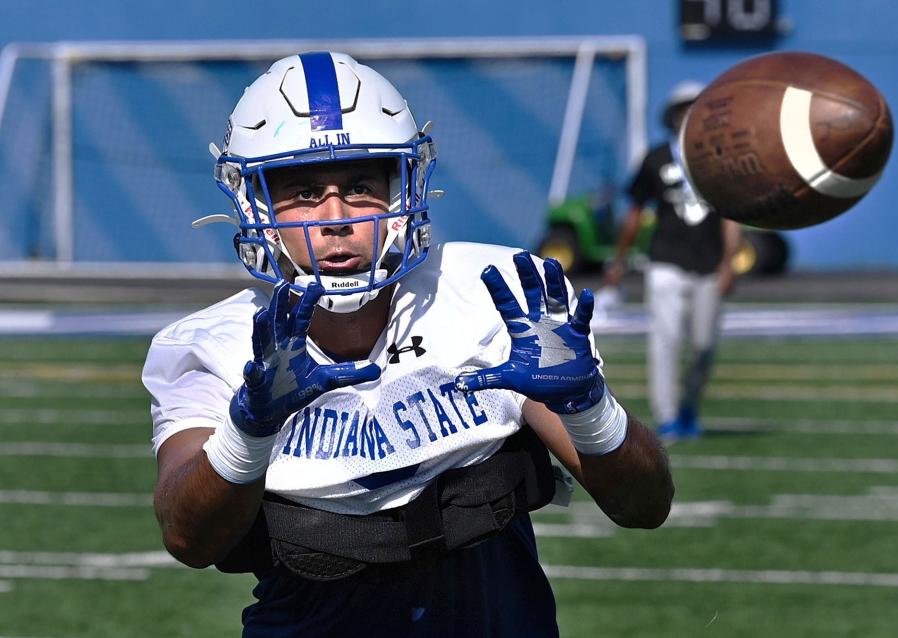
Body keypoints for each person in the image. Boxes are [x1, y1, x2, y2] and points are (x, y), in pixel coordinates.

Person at [143, 52, 673, 637]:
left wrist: (590, 408)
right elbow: (188, 539)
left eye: (362, 186)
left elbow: (643, 507)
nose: (336, 217)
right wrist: (248, 432)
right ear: (256, 203)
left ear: (403, 188)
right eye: (304, 191)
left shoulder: (494, 296)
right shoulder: (212, 346)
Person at [604, 80, 742, 442]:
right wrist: (619, 259)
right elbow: (635, 211)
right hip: (665, 259)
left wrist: (730, 262)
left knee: (703, 343)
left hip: (709, 262)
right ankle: (667, 416)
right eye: (684, 109)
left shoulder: (721, 157)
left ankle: (689, 406)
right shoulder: (656, 158)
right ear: (673, 116)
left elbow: (731, 214)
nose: (690, 116)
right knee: (665, 340)